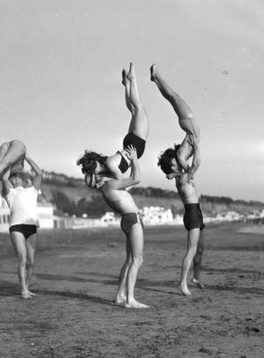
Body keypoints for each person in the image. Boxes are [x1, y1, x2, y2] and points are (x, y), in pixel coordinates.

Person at [153, 65, 205, 296]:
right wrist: (197, 147)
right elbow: (194, 167)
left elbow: (186, 169)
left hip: (195, 211)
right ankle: (182, 282)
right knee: (173, 97)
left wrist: (192, 147)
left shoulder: (179, 170)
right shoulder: (182, 166)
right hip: (193, 212)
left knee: (199, 248)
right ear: (173, 161)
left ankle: (194, 277)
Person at [90, 146, 149, 308]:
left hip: (127, 220)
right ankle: (130, 300)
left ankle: (120, 295)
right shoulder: (111, 186)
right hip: (133, 219)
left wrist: (108, 179)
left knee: (130, 259)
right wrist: (135, 159)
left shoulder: (108, 187)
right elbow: (136, 179)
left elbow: (128, 185)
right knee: (138, 259)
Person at [77, 63, 149, 184]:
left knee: (137, 108)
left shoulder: (109, 166)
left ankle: (130, 81)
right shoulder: (108, 164)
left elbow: (122, 181)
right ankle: (129, 82)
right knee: (135, 109)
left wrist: (105, 178)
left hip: (134, 145)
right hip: (131, 144)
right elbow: (121, 181)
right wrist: (105, 179)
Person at [0, 152, 42, 299]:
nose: (16, 177)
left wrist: (28, 158)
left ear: (23, 179)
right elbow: (4, 178)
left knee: (31, 261)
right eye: (14, 176)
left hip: (31, 227)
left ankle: (26, 287)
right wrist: (8, 161)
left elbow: (39, 173)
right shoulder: (9, 192)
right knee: (22, 257)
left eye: (18, 176)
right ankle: (23, 290)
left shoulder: (32, 190)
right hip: (16, 226)